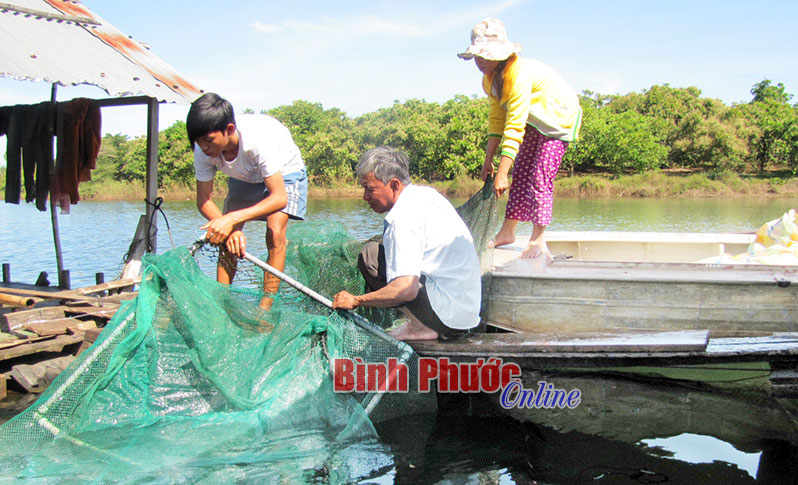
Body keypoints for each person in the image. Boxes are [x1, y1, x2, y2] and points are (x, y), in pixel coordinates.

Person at [458, 18, 582, 261]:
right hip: (534, 120)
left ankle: (537, 239)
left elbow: (514, 126)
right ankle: (507, 232)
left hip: (558, 118)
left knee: (540, 175)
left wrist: (502, 173)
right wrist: (489, 160)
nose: (479, 61)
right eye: (477, 56)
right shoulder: (490, 78)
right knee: (522, 171)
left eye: (485, 55)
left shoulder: (517, 75)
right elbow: (497, 120)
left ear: (500, 54)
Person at [331, 147, 482, 341]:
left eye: (370, 189)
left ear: (394, 185)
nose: (365, 197)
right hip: (465, 314)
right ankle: (421, 322)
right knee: (381, 248)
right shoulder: (427, 195)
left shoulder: (403, 217)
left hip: (447, 319)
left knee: (371, 255)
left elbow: (405, 289)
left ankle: (421, 326)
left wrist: (356, 300)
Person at [187, 93, 307, 306]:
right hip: (244, 174)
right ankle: (223, 303)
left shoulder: (257, 141)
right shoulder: (203, 150)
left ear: (230, 130)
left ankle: (265, 309)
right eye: (198, 141)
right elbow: (203, 200)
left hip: (285, 170)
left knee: (275, 232)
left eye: (208, 141)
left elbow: (279, 198)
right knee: (226, 236)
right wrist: (231, 228)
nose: (204, 147)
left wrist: (231, 218)